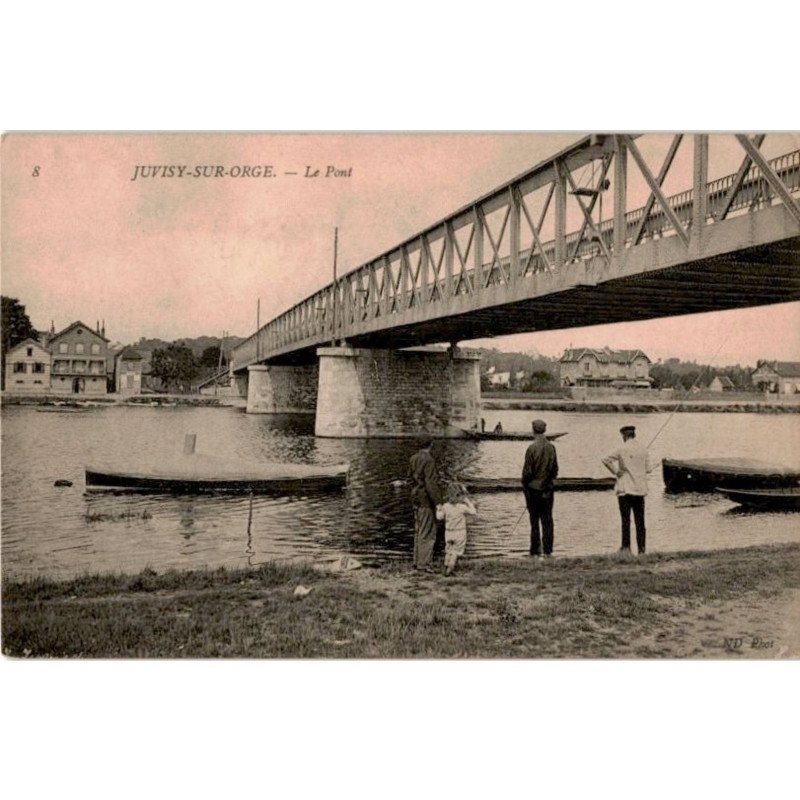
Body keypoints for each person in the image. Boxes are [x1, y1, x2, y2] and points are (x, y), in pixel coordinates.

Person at [602, 425, 655, 555]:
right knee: (640, 521)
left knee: (625, 520)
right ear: (634, 435)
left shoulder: (621, 448)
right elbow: (649, 469)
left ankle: (626, 548)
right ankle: (642, 550)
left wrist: (616, 472)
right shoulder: (643, 449)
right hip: (639, 490)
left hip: (625, 490)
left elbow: (605, 459)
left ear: (624, 436)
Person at [521, 419, 559, 558]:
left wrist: (525, 486)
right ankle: (548, 551)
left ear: (533, 430)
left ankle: (535, 551)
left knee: (534, 521)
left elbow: (527, 473)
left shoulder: (531, 448)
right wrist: (548, 483)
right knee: (548, 521)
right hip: (548, 490)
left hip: (533, 490)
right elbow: (555, 470)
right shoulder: (552, 447)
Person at [409, 440, 444, 571]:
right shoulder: (429, 460)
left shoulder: (413, 458)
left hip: (415, 498)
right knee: (428, 532)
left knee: (418, 530)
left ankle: (417, 561)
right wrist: (438, 502)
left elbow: (410, 478)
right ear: (431, 445)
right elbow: (430, 484)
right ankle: (424, 564)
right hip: (426, 500)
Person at [436, 483, 477, 576]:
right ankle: (450, 569)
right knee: (455, 552)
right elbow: (474, 512)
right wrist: (468, 502)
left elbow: (439, 517)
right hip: (460, 533)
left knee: (449, 550)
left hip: (449, 532)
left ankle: (445, 566)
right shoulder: (462, 507)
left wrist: (438, 509)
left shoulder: (445, 506)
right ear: (459, 496)